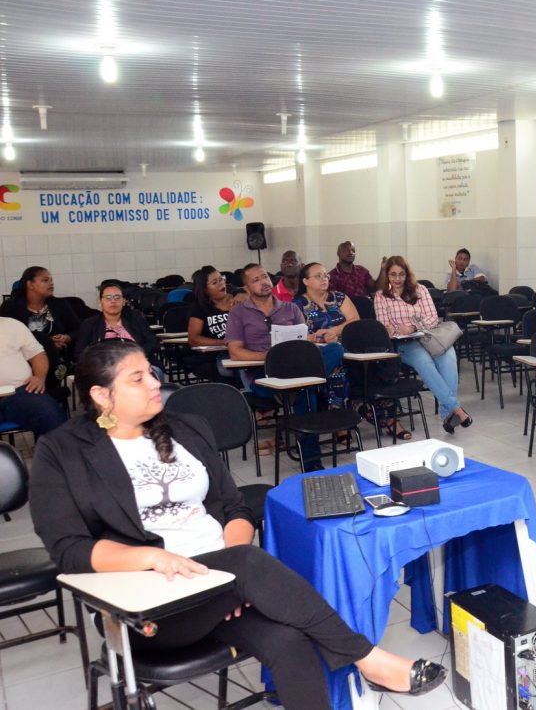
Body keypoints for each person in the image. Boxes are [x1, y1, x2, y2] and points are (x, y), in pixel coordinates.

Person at [28, 341, 446, 710]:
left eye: (151, 373)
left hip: (223, 583)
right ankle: (367, 659)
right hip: (151, 603)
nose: (155, 383)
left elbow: (234, 507)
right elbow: (69, 549)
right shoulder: (62, 451)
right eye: (138, 379)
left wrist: (230, 578)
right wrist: (154, 558)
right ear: (101, 395)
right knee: (248, 564)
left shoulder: (185, 429)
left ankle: (349, 653)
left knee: (289, 640)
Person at [374, 256, 471, 435]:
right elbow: (383, 325)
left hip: (429, 337)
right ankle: (456, 409)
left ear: (407, 274)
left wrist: (412, 327)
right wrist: (394, 329)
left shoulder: (420, 290)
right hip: (404, 343)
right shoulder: (381, 296)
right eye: (393, 275)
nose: (397, 279)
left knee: (449, 358)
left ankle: (447, 414)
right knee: (424, 361)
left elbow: (433, 318)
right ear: (386, 275)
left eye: (401, 274)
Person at [226, 264, 308, 465]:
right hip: (261, 374)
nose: (263, 282)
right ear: (246, 288)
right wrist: (268, 357)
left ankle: (296, 436)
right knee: (307, 391)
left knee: (332, 352)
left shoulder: (291, 308)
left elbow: (304, 341)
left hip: (294, 368)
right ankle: (308, 451)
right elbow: (235, 352)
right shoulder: (238, 313)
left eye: (265, 277)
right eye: (256, 280)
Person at [0, 266, 81, 395]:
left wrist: (67, 337)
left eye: (51, 280)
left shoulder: (60, 304)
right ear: (30, 284)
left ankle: (44, 396)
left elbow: (79, 330)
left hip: (58, 359)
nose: (51, 283)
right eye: (45, 280)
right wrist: (48, 343)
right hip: (24, 359)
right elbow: (7, 336)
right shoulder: (11, 307)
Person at [294, 262, 358, 412]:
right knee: (336, 360)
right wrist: (319, 338)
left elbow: (355, 321)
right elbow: (297, 336)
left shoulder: (339, 297)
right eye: (318, 276)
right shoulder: (297, 304)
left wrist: (334, 331)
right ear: (305, 281)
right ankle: (334, 413)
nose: (324, 279)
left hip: (346, 347)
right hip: (316, 353)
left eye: (325, 275)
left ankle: (339, 409)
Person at [0, 316, 69, 435]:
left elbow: (38, 355)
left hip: (20, 391)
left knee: (51, 416)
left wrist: (39, 377)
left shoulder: (13, 325)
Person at [75, 281, 160, 360]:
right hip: (104, 367)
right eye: (108, 298)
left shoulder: (136, 317)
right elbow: (79, 353)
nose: (113, 301)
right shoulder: (89, 324)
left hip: (136, 362)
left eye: (117, 297)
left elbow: (153, 342)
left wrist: (132, 356)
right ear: (100, 302)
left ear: (123, 302)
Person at [188, 265, 246, 349]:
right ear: (205, 289)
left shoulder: (239, 297)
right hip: (217, 353)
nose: (221, 283)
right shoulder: (199, 307)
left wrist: (249, 297)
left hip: (246, 349)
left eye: (221, 279)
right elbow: (193, 340)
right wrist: (227, 342)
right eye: (214, 283)